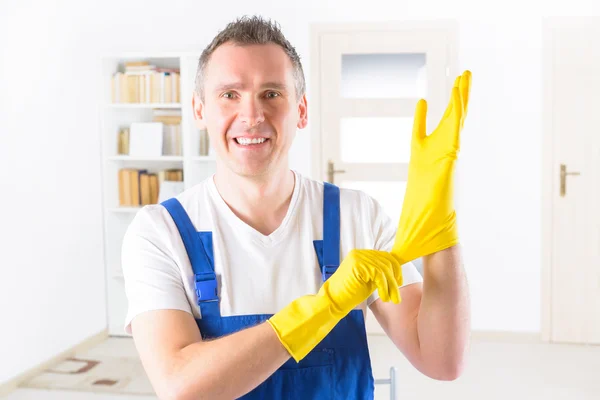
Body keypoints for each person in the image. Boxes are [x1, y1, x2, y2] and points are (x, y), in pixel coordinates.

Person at [122, 15, 471, 400]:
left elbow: (442, 361)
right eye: (229, 95)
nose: (252, 116)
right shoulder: (160, 232)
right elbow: (180, 385)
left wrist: (442, 236)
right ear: (199, 110)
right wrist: (326, 305)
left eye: (272, 93)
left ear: (301, 110)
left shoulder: (359, 217)